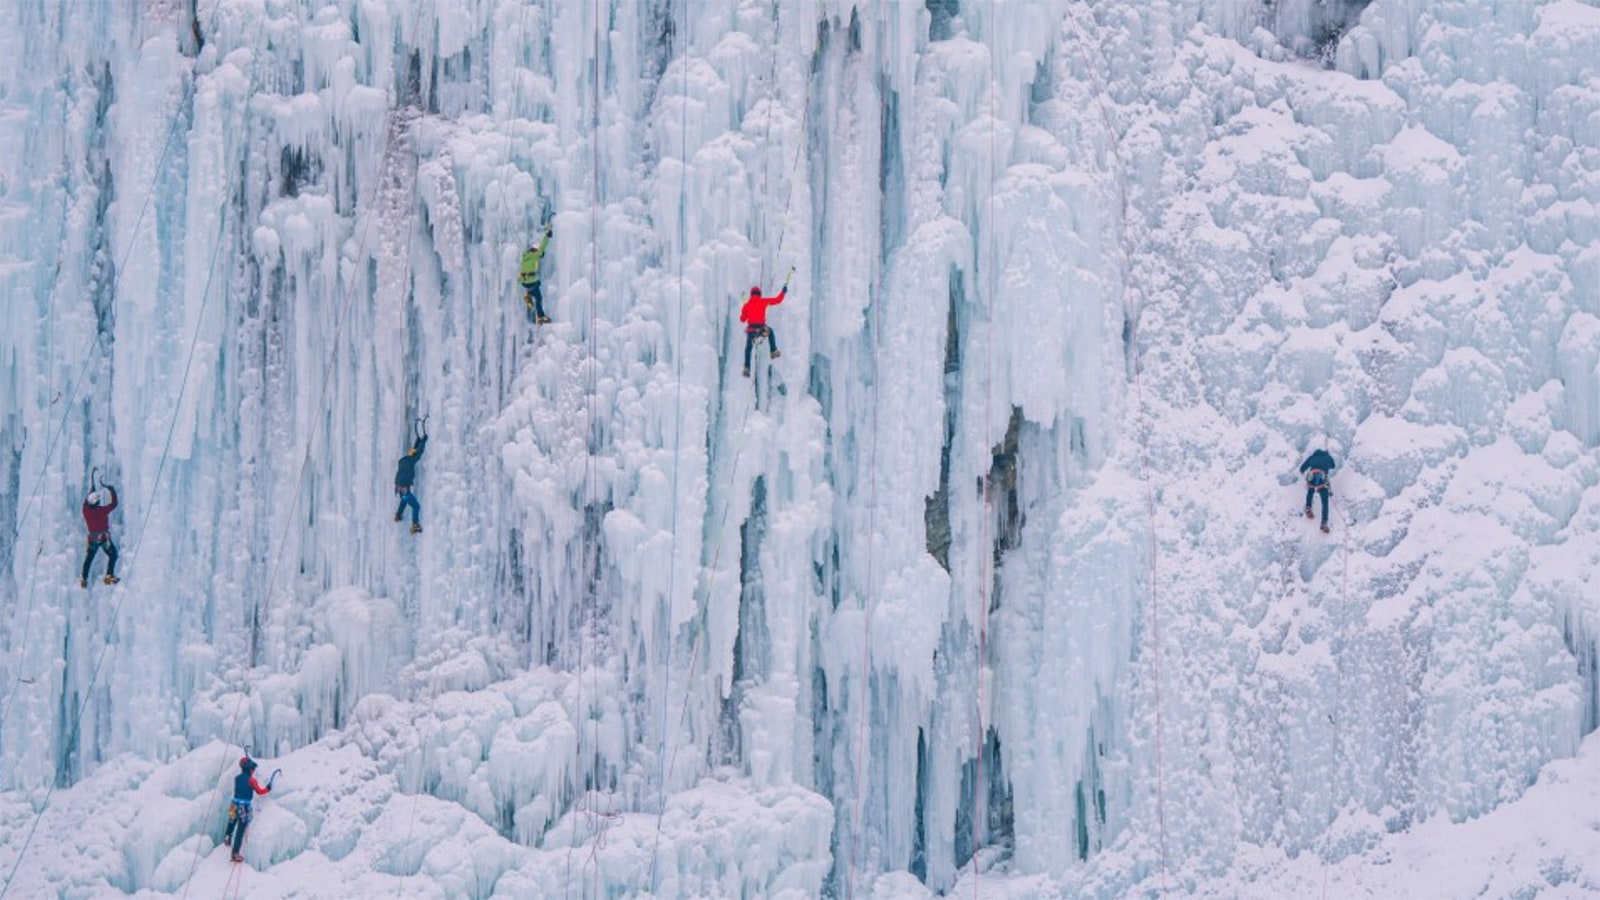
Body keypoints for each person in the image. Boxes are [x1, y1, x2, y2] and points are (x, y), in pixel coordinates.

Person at [223, 756, 271, 862]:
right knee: (240, 828)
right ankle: (235, 853)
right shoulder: (251, 780)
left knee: (231, 821)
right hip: (243, 807)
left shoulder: (237, 778)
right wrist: (268, 788)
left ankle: (227, 838)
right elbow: (259, 791)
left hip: (234, 804)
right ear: (250, 769)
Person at [739, 282, 786, 377]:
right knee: (770, 331)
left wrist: (744, 311)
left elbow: (742, 319)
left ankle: (747, 368)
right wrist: (783, 291)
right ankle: (773, 351)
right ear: (759, 294)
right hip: (761, 328)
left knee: (748, 349)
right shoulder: (763, 301)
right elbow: (777, 300)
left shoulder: (746, 305)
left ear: (751, 294)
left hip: (751, 330)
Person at [79, 485, 120, 587]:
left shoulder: (86, 512)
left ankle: (84, 579)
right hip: (103, 539)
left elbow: (85, 504)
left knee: (89, 559)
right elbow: (114, 504)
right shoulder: (102, 511)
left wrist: (90, 492)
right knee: (113, 555)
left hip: (93, 540)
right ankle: (109, 576)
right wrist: (112, 490)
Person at [393, 425, 429, 534]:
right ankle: (415, 524)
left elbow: (413, 452)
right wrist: (424, 441)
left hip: (399, 487)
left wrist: (417, 441)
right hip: (403, 488)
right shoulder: (411, 460)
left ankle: (398, 515)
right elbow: (419, 452)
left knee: (404, 500)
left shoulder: (403, 460)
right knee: (416, 506)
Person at [519, 224, 553, 324]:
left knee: (535, 286)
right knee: (539, 298)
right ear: (535, 251)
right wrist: (547, 236)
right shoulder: (534, 256)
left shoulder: (525, 256)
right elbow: (542, 247)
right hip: (531, 281)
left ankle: (529, 295)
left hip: (525, 282)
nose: (540, 256)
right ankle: (541, 316)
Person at [1299, 446, 1337, 533]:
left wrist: (1304, 472)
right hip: (1322, 480)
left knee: (1310, 490)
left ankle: (1308, 507)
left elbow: (1302, 468)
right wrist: (1328, 456)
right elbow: (1333, 466)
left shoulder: (1312, 457)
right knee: (1324, 502)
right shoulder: (1327, 457)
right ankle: (1324, 522)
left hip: (1312, 477)